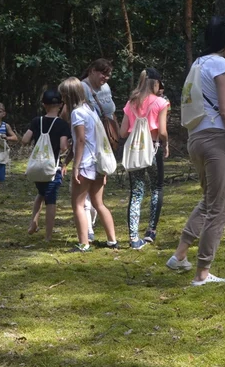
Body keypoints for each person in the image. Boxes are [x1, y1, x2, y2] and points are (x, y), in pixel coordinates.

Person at [168, 17, 225, 286]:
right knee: (219, 207)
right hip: (216, 139)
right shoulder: (219, 64)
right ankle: (202, 274)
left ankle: (180, 255)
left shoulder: (198, 63)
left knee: (209, 200)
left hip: (196, 140)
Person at [60, 76, 118, 252]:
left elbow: (80, 141)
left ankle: (84, 243)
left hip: (85, 165)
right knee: (98, 203)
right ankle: (112, 241)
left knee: (77, 204)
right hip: (98, 164)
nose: (62, 99)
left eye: (63, 95)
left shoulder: (76, 113)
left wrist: (75, 166)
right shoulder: (90, 110)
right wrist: (67, 161)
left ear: (69, 96)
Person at [120, 68, 169, 249]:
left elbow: (122, 132)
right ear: (155, 83)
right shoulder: (160, 103)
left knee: (136, 192)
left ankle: (133, 238)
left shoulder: (131, 103)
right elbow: (162, 131)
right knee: (156, 187)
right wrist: (167, 143)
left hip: (135, 152)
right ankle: (150, 231)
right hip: (153, 149)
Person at [22, 88, 70, 242]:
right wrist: (69, 144)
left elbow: (25, 140)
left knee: (40, 194)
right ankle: (48, 236)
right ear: (61, 105)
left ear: (44, 105)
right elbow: (63, 147)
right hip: (52, 168)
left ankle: (33, 223)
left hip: (37, 168)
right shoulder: (62, 124)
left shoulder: (37, 121)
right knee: (51, 200)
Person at [81, 59, 116, 241]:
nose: (106, 78)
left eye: (108, 74)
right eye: (103, 73)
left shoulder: (105, 88)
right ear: (92, 70)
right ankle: (88, 232)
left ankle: (109, 237)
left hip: (103, 143)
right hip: (88, 144)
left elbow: (110, 112)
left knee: (97, 193)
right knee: (85, 193)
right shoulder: (82, 88)